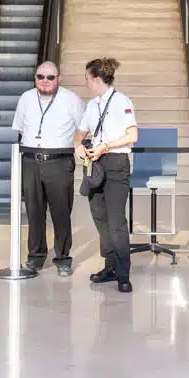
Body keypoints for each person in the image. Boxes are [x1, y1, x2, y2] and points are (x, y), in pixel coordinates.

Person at [12, 61, 84, 275]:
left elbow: (84, 127)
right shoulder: (25, 98)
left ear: (59, 79)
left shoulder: (71, 100)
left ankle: (63, 258)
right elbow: (21, 128)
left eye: (50, 77)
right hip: (31, 161)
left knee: (61, 212)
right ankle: (36, 257)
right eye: (40, 76)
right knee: (34, 212)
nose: (44, 81)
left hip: (59, 161)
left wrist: (76, 143)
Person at [73, 57, 139, 293]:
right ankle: (110, 266)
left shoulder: (121, 102)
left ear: (97, 79)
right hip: (95, 163)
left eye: (87, 78)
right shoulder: (92, 105)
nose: (86, 82)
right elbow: (80, 131)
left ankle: (123, 274)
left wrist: (105, 146)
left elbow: (132, 135)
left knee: (116, 221)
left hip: (115, 163)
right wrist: (78, 144)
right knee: (100, 218)